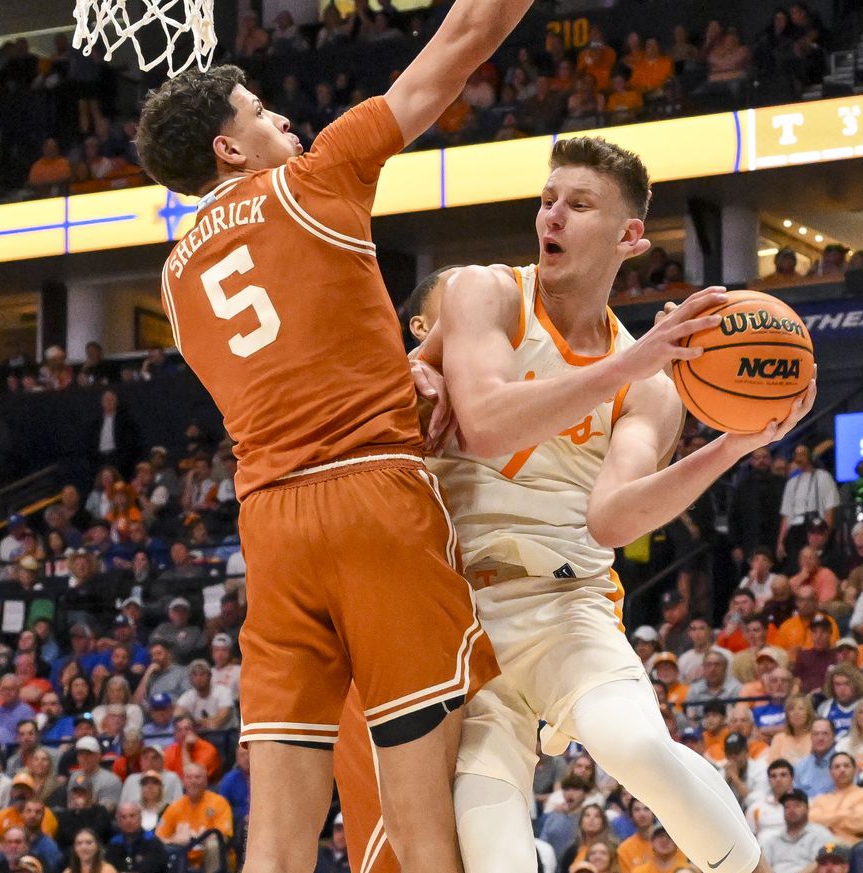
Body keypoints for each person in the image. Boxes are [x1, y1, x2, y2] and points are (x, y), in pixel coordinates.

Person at [133, 0, 552, 854]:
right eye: (259, 112)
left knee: (276, 843)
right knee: (421, 818)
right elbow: (463, 38)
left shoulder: (174, 280)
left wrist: (403, 361)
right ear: (227, 146)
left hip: (272, 530)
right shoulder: (318, 176)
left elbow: (290, 351)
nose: (283, 119)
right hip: (372, 499)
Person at [370, 136, 815, 873]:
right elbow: (483, 425)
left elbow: (613, 519)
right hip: (459, 627)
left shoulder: (654, 384)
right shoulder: (488, 292)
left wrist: (733, 445)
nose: (554, 216)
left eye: (579, 204)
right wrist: (632, 360)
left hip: (567, 608)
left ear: (629, 236)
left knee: (637, 745)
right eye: (548, 200)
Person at [807, 752, 863, 845]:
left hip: (852, 849)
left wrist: (828, 823)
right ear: (830, 772)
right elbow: (811, 822)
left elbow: (861, 824)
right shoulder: (821, 799)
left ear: (855, 770)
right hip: (821, 848)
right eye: (837, 767)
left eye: (846, 766)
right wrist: (844, 814)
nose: (842, 769)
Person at [759, 788, 831, 873]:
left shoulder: (820, 834)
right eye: (787, 807)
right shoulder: (773, 840)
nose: (791, 810)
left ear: (807, 808)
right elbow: (763, 866)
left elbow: (821, 863)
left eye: (796, 805)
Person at [106, 802, 166, 873]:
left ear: (140, 818)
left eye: (132, 816)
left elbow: (152, 869)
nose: (128, 821)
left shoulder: (153, 842)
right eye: (123, 817)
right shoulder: (113, 843)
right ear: (118, 822)